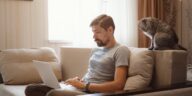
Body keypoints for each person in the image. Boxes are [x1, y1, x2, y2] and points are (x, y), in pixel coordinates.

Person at [25, 14, 130, 96]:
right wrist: (78, 81)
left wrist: (85, 85)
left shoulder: (121, 50)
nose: (94, 36)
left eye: (97, 32)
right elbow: (92, 73)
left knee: (53, 94)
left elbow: (119, 85)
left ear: (110, 30)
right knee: (31, 89)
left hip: (92, 93)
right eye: (93, 32)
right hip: (82, 87)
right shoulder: (95, 49)